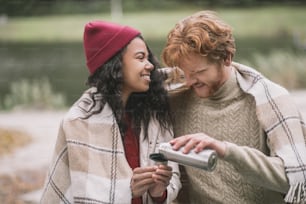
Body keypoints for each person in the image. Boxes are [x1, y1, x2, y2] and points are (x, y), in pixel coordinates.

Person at [161, 10, 306, 204]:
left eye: (198, 72)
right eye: (184, 72)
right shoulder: (175, 98)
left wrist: (227, 152)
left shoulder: (270, 99)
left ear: (227, 58)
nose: (188, 81)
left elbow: (296, 179)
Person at [40, 20, 181, 204]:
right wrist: (129, 191)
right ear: (115, 64)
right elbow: (85, 195)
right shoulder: (81, 121)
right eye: (140, 58)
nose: (150, 65)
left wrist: (159, 192)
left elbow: (173, 176)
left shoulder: (154, 112)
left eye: (148, 58)